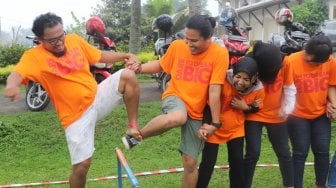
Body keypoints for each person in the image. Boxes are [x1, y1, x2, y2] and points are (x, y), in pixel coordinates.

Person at [3, 12, 140, 188]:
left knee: (128, 76)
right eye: (53, 41)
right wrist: (12, 85)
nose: (60, 42)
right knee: (81, 167)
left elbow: (98, 55)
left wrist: (125, 55)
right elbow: (17, 73)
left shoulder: (74, 40)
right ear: (39, 39)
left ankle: (133, 127)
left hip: (97, 96)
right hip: (76, 116)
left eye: (61, 36)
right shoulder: (33, 57)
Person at [124, 14, 229, 187]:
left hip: (196, 110)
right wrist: (139, 68)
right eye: (186, 38)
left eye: (193, 40)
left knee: (190, 162)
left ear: (208, 38)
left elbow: (215, 89)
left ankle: (135, 138)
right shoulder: (178, 46)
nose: (188, 43)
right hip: (175, 96)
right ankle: (137, 137)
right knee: (178, 117)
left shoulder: (219, 54)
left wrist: (215, 124)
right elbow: (160, 65)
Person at [197, 56, 264, 188]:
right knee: (208, 163)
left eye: (246, 79)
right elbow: (208, 104)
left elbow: (256, 108)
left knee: (237, 162)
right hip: (214, 127)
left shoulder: (258, 89)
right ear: (233, 73)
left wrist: (246, 108)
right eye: (238, 76)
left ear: (254, 78)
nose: (240, 82)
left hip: (235, 129)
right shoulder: (222, 80)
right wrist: (206, 124)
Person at [285, 35, 336, 188]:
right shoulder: (291, 61)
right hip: (297, 116)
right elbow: (286, 91)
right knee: (300, 153)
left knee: (322, 152)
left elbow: (331, 85)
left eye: (310, 59)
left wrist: (333, 104)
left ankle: (320, 185)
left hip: (320, 115)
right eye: (306, 52)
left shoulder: (331, 62)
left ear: (323, 60)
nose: (305, 56)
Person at [243, 41, 295, 188]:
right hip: (253, 113)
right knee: (253, 153)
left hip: (277, 115)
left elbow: (289, 87)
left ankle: (289, 185)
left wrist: (287, 110)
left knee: (284, 153)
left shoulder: (285, 62)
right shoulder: (248, 62)